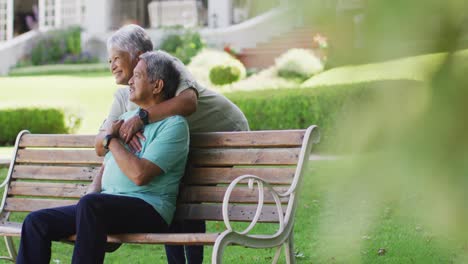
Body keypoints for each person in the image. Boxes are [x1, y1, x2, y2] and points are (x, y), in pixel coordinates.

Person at [95, 24, 249, 264]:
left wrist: (141, 117)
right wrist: (110, 136)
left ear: (137, 55)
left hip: (221, 132)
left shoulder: (167, 65)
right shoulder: (126, 95)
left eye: (116, 58)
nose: (111, 65)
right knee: (168, 191)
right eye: (109, 60)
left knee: (185, 195)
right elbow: (101, 140)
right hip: (183, 137)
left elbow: (188, 103)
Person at [17, 51, 189, 264]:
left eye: (137, 76)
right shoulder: (126, 118)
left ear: (157, 86)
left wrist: (112, 140)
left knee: (92, 206)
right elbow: (106, 163)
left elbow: (139, 174)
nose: (130, 81)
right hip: (103, 206)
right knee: (36, 222)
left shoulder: (174, 125)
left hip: (149, 208)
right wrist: (92, 190)